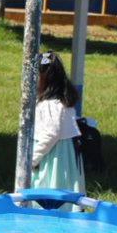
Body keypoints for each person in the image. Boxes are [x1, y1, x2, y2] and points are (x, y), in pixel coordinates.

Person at [31, 50, 85, 207]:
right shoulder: (60, 101)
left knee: (50, 190)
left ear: (47, 79)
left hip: (54, 156)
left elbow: (50, 135)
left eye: (35, 75)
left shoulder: (51, 105)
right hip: (61, 153)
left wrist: (32, 160)